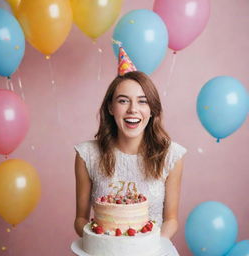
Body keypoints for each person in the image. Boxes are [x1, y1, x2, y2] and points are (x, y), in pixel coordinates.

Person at [74, 70, 187, 242]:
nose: (133, 109)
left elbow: (171, 220)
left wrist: (148, 249)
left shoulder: (170, 155)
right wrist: (105, 246)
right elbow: (80, 220)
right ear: (111, 107)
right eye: (123, 101)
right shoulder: (87, 155)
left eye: (142, 101)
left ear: (152, 110)